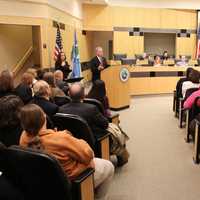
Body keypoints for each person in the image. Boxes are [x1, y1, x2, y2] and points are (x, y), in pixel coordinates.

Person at [19, 104, 114, 200]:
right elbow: (88, 155)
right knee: (109, 166)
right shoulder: (61, 138)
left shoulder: (23, 138)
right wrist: (67, 136)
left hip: (47, 184)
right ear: (44, 117)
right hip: (74, 180)